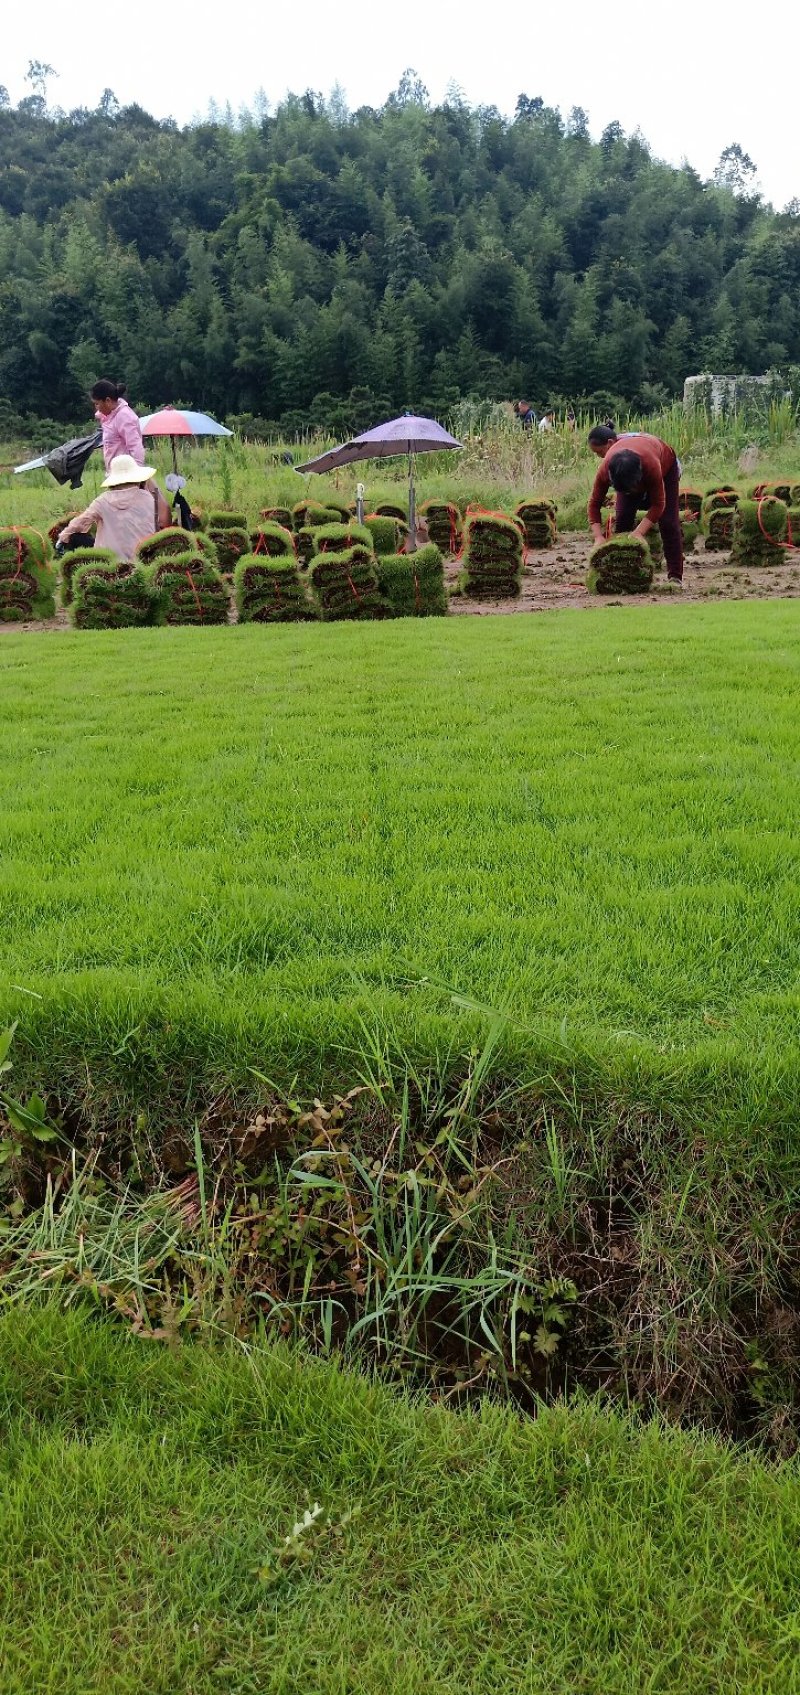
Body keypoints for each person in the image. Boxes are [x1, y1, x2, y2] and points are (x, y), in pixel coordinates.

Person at [587, 425, 683, 583]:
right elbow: (594, 504)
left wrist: (639, 532)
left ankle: (675, 576)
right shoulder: (605, 469)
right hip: (628, 469)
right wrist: (598, 536)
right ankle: (622, 575)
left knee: (668, 521)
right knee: (623, 517)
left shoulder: (652, 465)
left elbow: (659, 504)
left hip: (665, 462)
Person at [57, 453, 164, 561]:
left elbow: (80, 522)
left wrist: (63, 537)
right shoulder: (147, 497)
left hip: (110, 560)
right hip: (144, 557)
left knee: (74, 537)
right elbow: (155, 525)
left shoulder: (103, 500)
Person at [90, 380, 145, 470]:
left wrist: (138, 473)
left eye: (97, 403)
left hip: (127, 474)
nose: (96, 407)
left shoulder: (124, 416)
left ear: (108, 400)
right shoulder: (107, 416)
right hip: (115, 474)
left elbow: (135, 446)